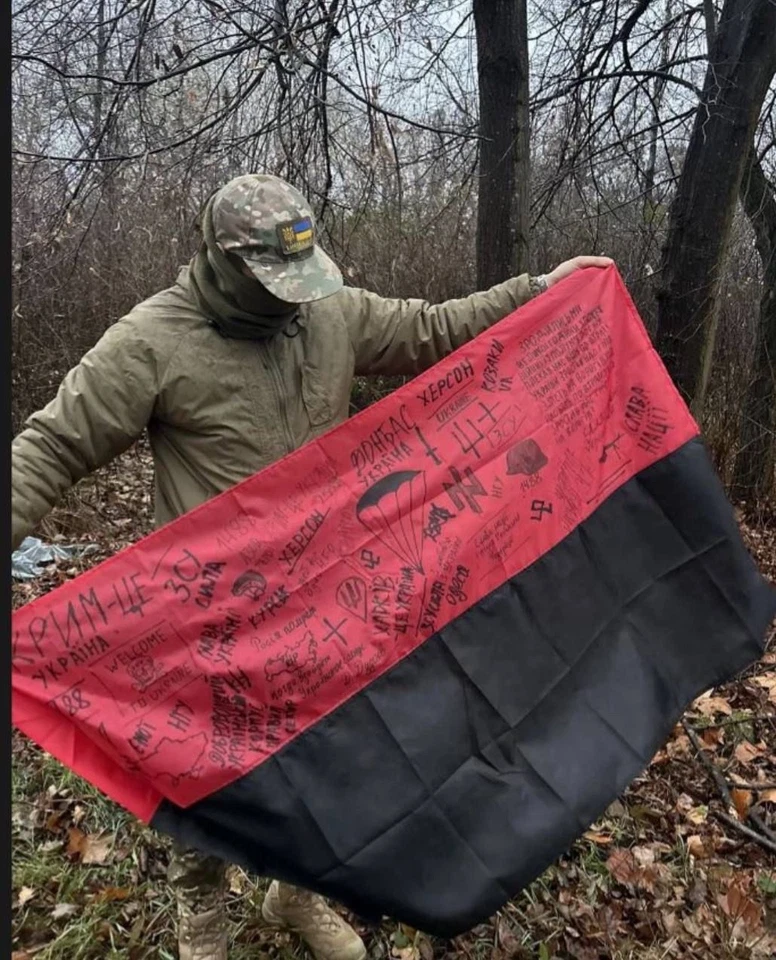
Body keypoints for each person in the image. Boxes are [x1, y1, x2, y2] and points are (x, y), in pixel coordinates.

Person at [11, 173, 612, 960]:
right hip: (211, 613)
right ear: (223, 262)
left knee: (324, 750)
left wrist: (540, 291)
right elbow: (52, 446)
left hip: (326, 597)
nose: (293, 299)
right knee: (206, 763)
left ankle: (293, 891)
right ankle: (203, 914)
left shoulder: (329, 315)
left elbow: (432, 328)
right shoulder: (152, 342)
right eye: (275, 283)